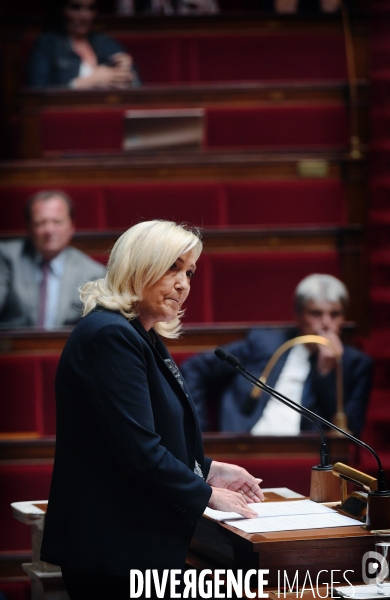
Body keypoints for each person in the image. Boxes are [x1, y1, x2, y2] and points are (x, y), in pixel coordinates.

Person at [40, 220, 264, 599]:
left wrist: (209, 469)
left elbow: (150, 435)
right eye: (172, 267)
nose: (183, 283)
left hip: (131, 544)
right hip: (113, 551)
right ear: (137, 266)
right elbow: (138, 450)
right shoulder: (110, 336)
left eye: (189, 272)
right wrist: (207, 494)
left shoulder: (138, 334)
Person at [181, 274, 373, 438]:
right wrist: (200, 434)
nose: (325, 323)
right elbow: (194, 368)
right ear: (298, 315)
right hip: (245, 445)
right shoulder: (265, 343)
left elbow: (350, 432)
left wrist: (327, 374)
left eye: (335, 314)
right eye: (316, 313)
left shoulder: (355, 364)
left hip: (307, 456)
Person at [0, 190, 106, 328]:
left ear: (72, 226)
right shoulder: (7, 257)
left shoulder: (93, 272)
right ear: (29, 227)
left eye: (57, 222)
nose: (49, 230)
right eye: (40, 223)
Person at [27, 0, 140, 89]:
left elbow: (139, 88)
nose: (85, 16)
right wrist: (88, 82)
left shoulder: (105, 42)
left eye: (90, 8)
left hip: (107, 110)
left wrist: (128, 75)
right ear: (62, 10)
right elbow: (37, 94)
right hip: (69, 114)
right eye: (76, 7)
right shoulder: (47, 44)